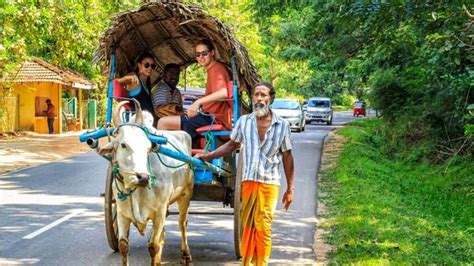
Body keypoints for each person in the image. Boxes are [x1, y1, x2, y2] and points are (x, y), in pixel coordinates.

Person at [196, 82, 295, 265]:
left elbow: (288, 156)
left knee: (263, 225)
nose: (259, 98)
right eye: (256, 95)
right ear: (252, 98)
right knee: (248, 226)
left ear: (270, 98)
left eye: (263, 95)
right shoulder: (244, 122)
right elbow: (232, 144)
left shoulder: (283, 125)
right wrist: (209, 155)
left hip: (269, 183)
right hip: (248, 182)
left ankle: (261, 263)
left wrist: (290, 188)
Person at [157, 39, 232, 139]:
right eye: (198, 54)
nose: (201, 57)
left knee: (163, 122)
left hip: (212, 118)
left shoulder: (216, 69)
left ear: (212, 52)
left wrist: (197, 103)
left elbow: (223, 93)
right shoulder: (212, 69)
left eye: (204, 53)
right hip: (208, 116)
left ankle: (166, 154)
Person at [115, 51, 158, 125]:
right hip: (138, 122)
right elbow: (117, 82)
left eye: (152, 66)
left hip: (149, 120)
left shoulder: (147, 83)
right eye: (147, 65)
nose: (150, 68)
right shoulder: (133, 76)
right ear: (139, 65)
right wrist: (127, 78)